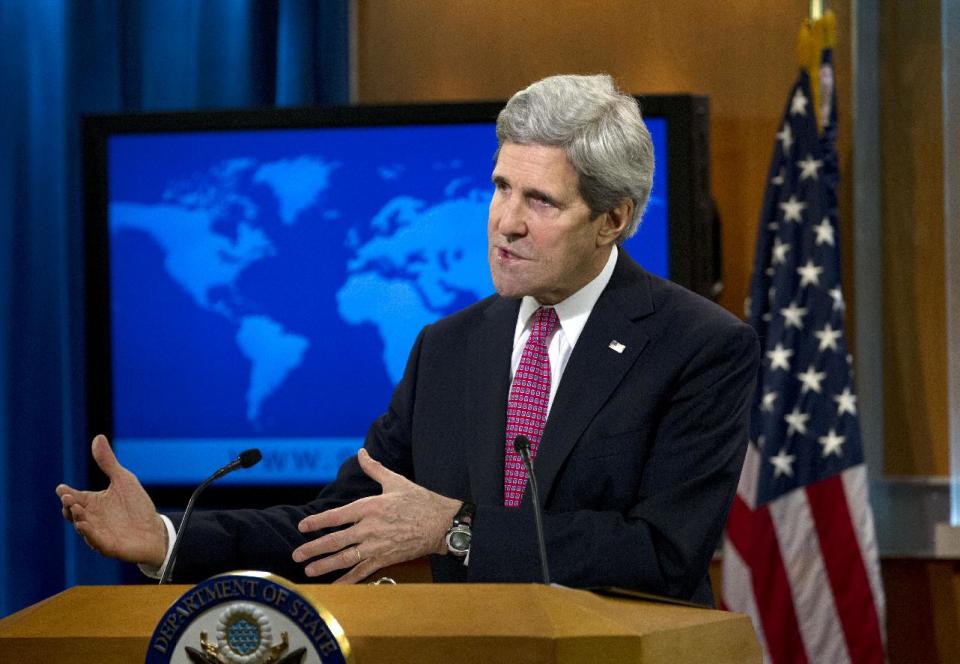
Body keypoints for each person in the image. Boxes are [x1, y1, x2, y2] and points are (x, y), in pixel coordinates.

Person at [57, 73, 758, 606]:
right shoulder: (450, 348)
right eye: (500, 187)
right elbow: (334, 527)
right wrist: (171, 538)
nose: (504, 222)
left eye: (539, 201)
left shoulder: (698, 347)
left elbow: (664, 554)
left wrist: (456, 529)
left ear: (614, 219)